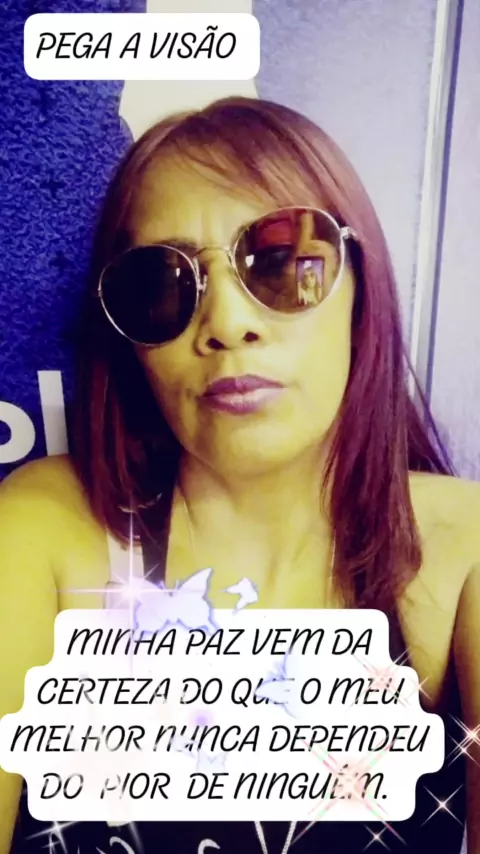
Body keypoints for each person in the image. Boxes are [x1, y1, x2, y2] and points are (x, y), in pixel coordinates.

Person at [0, 96, 479, 854]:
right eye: (161, 284)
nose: (226, 323)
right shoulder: (45, 529)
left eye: (282, 262)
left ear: (361, 290)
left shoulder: (464, 551)